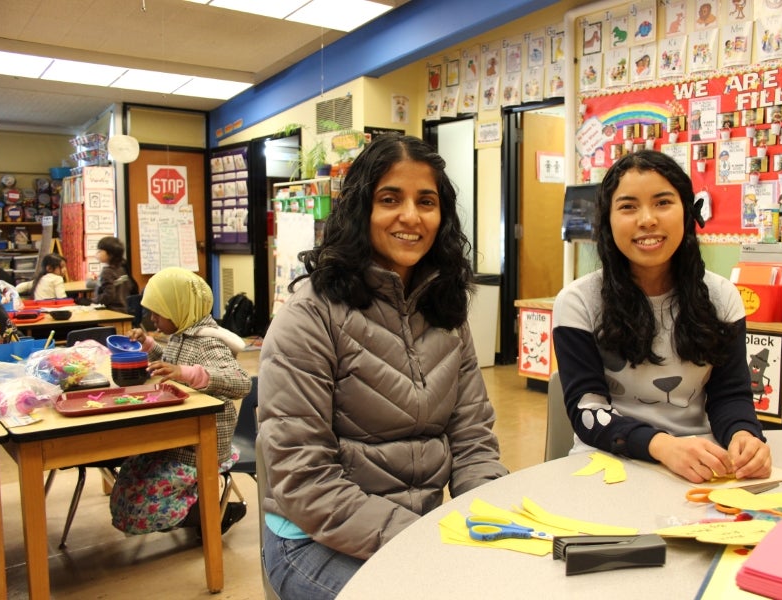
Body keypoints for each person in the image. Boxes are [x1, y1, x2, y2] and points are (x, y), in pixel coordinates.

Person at [258, 134, 508, 599]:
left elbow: (474, 442)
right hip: (313, 540)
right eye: (390, 199)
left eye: (426, 201)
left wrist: (493, 518)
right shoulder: (310, 315)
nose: (410, 217)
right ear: (360, 210)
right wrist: (419, 542)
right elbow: (303, 476)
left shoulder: (447, 314)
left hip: (419, 534)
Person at [552, 150, 771, 484]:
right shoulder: (578, 303)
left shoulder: (722, 297)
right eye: (628, 206)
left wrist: (744, 435)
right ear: (608, 220)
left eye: (662, 202)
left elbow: (730, 395)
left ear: (686, 212)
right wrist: (662, 447)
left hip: (701, 465)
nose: (647, 219)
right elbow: (588, 411)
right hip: (607, 464)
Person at [110, 267, 252, 535]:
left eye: (158, 314)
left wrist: (186, 374)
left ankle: (214, 514)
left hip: (202, 445)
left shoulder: (209, 342)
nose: (152, 319)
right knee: (128, 478)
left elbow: (240, 381)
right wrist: (149, 346)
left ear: (180, 308)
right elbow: (172, 364)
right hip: (179, 436)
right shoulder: (183, 332)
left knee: (139, 506)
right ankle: (206, 510)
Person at [87, 236, 132, 312]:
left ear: (110, 254)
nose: (97, 253)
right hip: (123, 310)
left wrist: (92, 301)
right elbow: (128, 286)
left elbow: (109, 295)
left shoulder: (107, 272)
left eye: (100, 251)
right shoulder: (121, 269)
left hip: (110, 311)